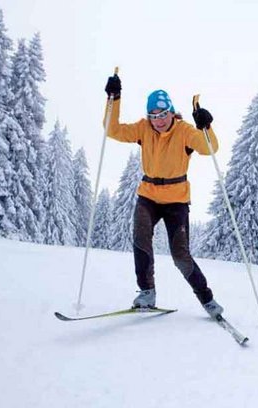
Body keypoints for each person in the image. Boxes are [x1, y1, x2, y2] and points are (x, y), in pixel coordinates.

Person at [103, 74, 224, 318]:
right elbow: (112, 130)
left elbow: (209, 148)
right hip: (148, 195)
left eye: (162, 114)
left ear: (171, 111)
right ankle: (147, 292)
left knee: (180, 255)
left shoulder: (184, 131)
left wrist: (206, 125)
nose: (158, 120)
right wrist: (113, 99)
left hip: (176, 200)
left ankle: (208, 300)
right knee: (140, 236)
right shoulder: (143, 128)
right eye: (153, 116)